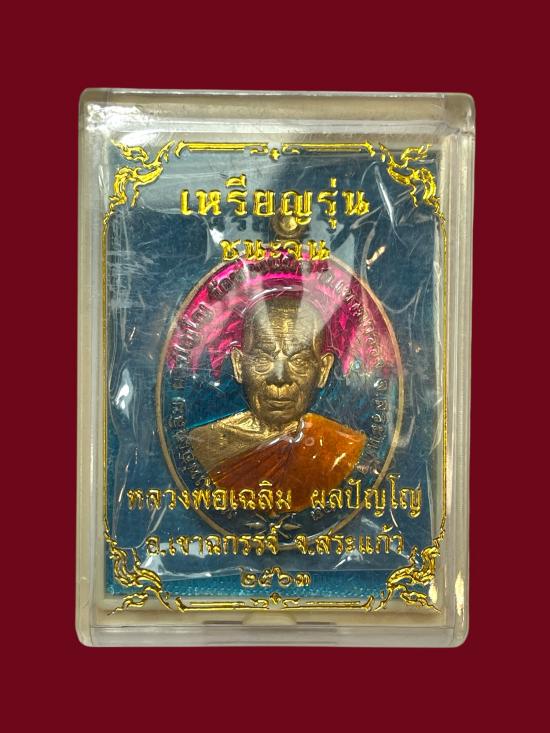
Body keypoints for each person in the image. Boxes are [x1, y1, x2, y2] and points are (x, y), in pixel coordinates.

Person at [189, 295, 366, 512]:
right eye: (263, 359)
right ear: (239, 365)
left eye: (298, 360)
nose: (280, 378)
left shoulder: (344, 448)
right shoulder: (203, 444)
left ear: (323, 370)